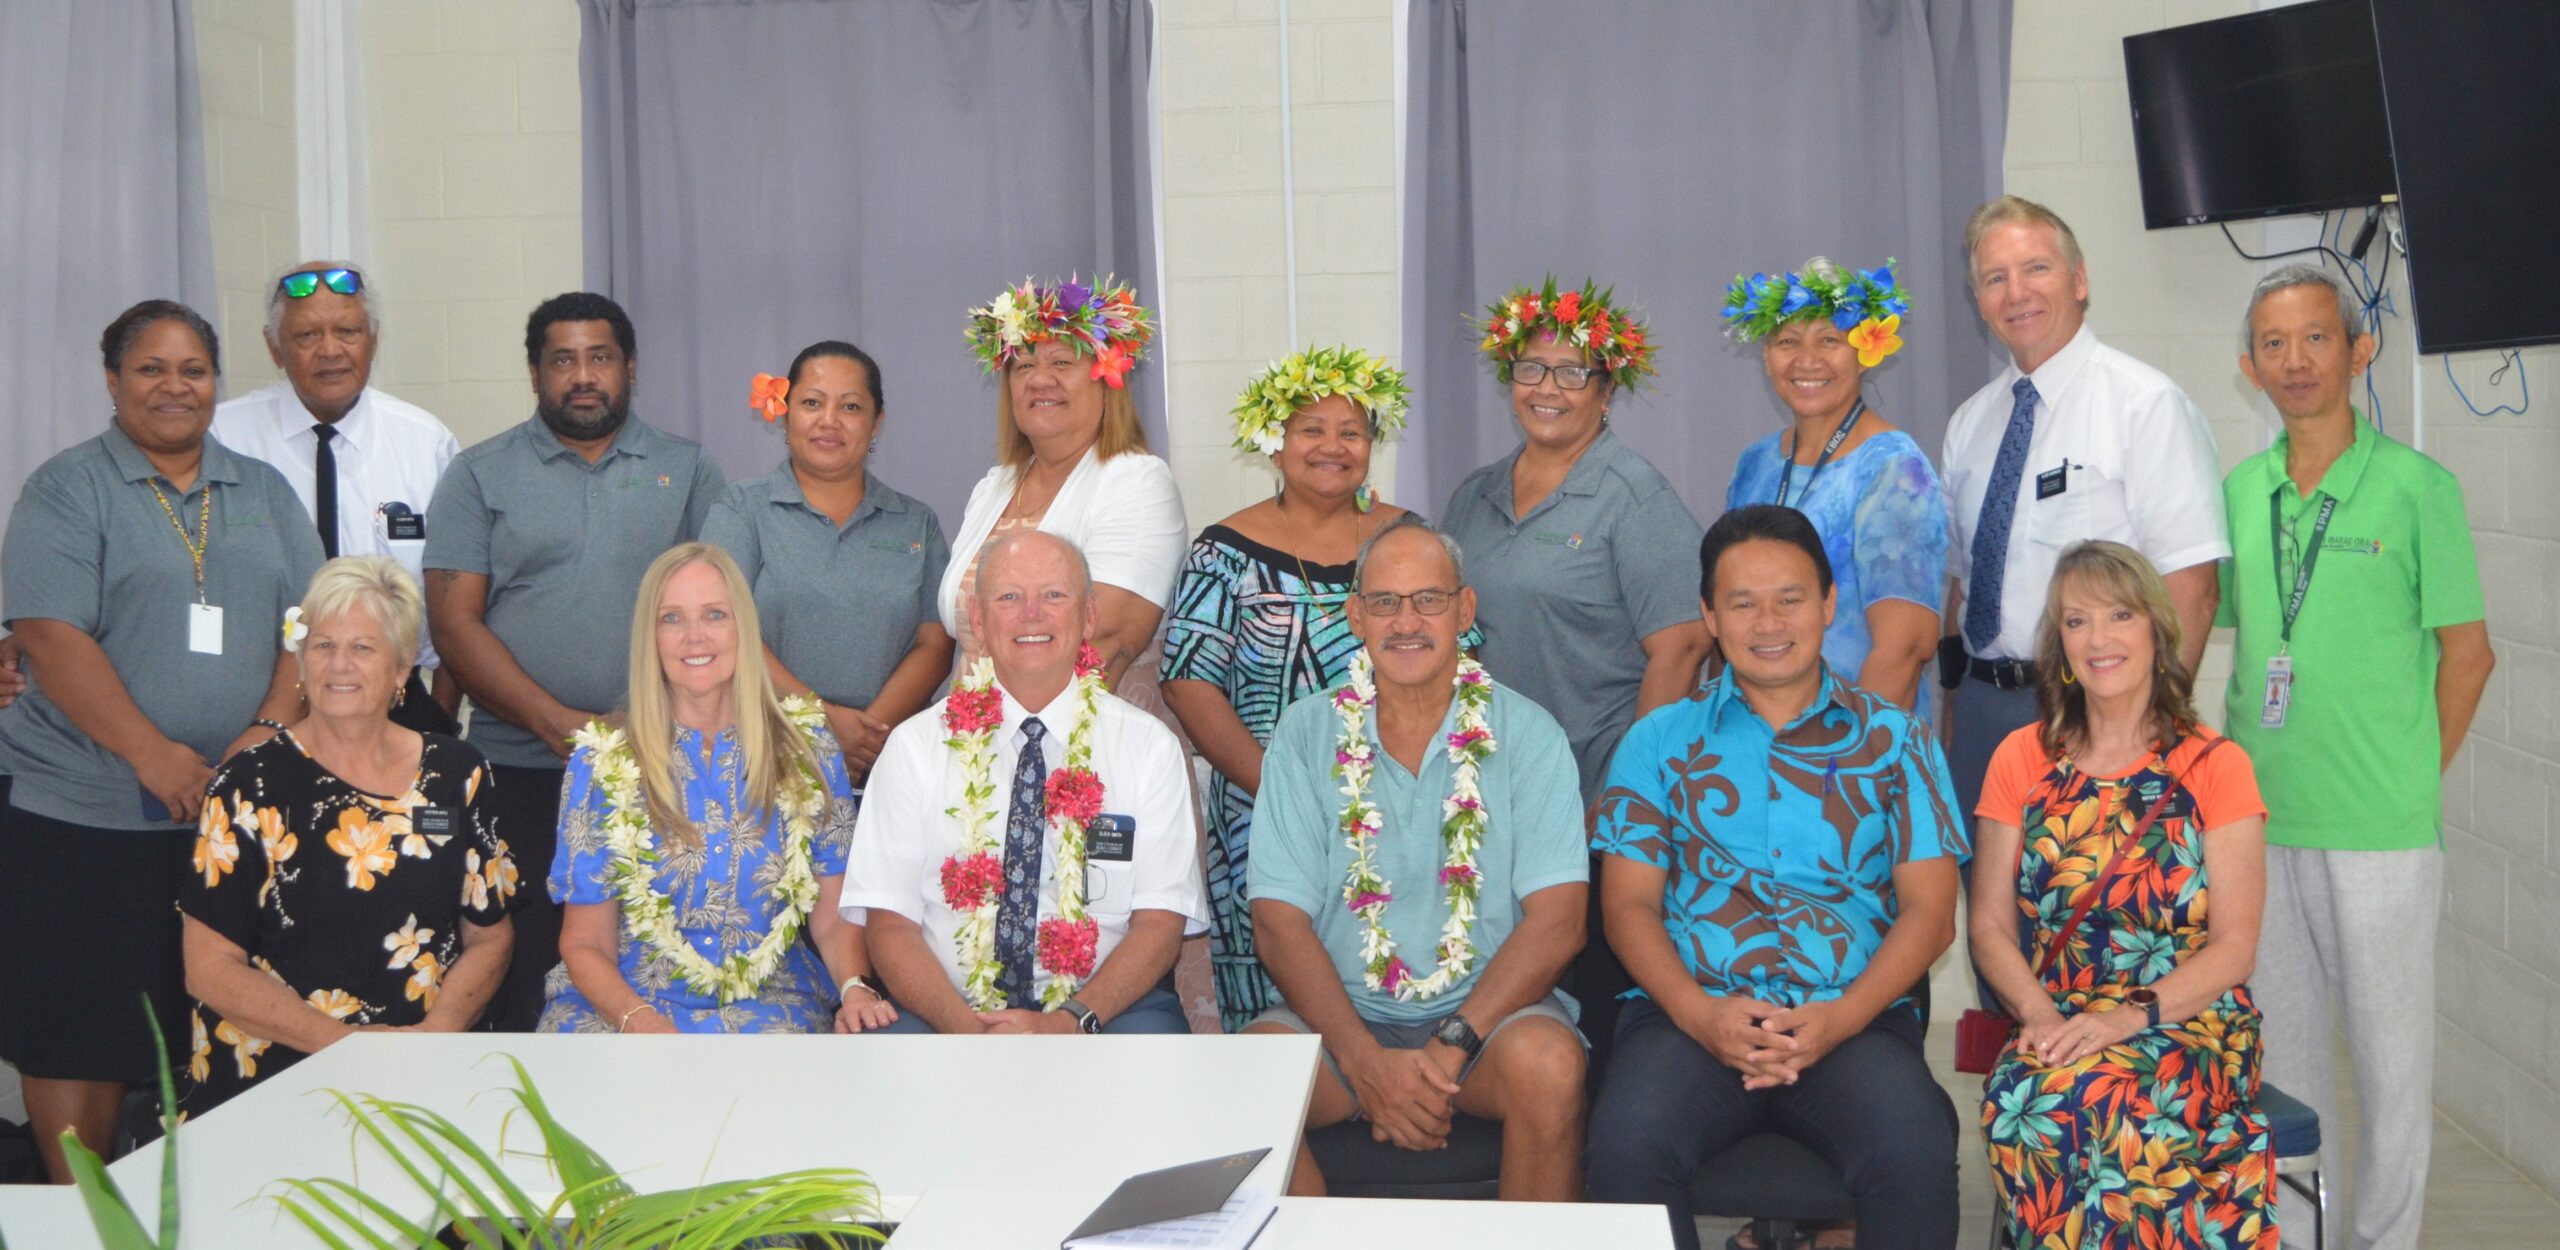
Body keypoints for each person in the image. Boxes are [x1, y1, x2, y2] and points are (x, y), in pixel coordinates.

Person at [0, 301, 322, 1182]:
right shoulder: (68, 488)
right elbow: (50, 634)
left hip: (236, 821)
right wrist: (151, 754)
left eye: (193, 370)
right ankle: (83, 1222)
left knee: (226, 1029)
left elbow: (310, 622)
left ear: (217, 383)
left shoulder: (261, 490)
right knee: (79, 1032)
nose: (174, 387)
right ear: (113, 382)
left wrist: (260, 735)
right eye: (151, 369)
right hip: (84, 817)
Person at [1585, 505, 1964, 1250]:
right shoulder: (1657, 741)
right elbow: (1628, 907)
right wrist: (1701, 1017)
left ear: (1828, 604)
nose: (1768, 621)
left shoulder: (1896, 742)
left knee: (1914, 1151)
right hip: (1688, 1021)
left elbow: (1931, 911)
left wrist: (1839, 1021)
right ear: (1709, 615)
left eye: (1790, 598)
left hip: (1850, 1021)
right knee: (1626, 1147)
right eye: (1742, 602)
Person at [2218, 265, 2492, 1250]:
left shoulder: (2420, 487)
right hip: (2258, 822)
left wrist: (2413, 775)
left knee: (2387, 1065)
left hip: (2378, 826)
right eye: (2275, 344)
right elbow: (2250, 639)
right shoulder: (2239, 493)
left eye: (2316, 338)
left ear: (2357, 349)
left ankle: (2384, 1240)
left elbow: (2469, 654)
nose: (2296, 361)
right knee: (2281, 1061)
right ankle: (2297, 1239)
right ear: (2249, 366)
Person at [1244, 519, 1589, 1202]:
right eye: (1385, 602)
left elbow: (1559, 923)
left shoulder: (1528, 732)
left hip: (1490, 1022)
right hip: (1342, 1019)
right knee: (1244, 1079)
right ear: (1355, 616)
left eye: (1428, 600)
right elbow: (1278, 923)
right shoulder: (1306, 731)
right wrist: (1363, 1062)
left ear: (1464, 610)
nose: (1407, 622)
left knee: (1549, 1068)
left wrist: (1452, 1044)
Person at [423, 291, 724, 1032]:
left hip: (662, 767)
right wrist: (556, 722)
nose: (582, 375)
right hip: (518, 768)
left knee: (656, 955)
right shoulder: (479, 474)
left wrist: (637, 729)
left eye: (599, 358)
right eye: (563, 360)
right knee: (525, 967)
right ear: (534, 373)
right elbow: (454, 626)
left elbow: (720, 613)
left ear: (629, 368)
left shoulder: (686, 469)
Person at [1163, 346, 1483, 1031]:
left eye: (1352, 431)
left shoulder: (1411, 538)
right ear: (1273, 443)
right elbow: (1190, 683)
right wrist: (1287, 795)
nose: (1332, 447)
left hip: (1411, 812)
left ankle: (1418, 1090)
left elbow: (1466, 664)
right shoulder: (1223, 550)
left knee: (1416, 974)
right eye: (1311, 428)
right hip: (1263, 811)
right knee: (1283, 1008)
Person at [1971, 540, 2277, 1248]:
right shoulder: (2021, 756)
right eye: (2076, 622)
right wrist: (2039, 1018)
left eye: (2118, 615)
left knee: (2105, 1105)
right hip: (2056, 1014)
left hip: (2188, 1020)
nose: (2099, 639)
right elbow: (1987, 924)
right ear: (2060, 646)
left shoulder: (2215, 765)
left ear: (2156, 632)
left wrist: (2126, 1021)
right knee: (2026, 1102)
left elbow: (2235, 948)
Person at [1440, 277, 1710, 1065]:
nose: (1547, 389)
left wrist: (1624, 799)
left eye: (1571, 373)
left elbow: (1683, 646)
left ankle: (1588, 1168)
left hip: (1592, 806)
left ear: (1606, 388)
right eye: (1531, 369)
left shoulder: (1634, 497)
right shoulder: (1474, 496)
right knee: (1493, 998)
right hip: (1488, 803)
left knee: (1584, 1014)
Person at [179, 556, 515, 1115]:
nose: (340, 664)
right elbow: (210, 967)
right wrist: (349, 1051)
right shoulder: (248, 784)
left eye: (363, 647)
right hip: (273, 1080)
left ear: (403, 668)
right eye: (323, 645)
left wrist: (435, 1037)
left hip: (421, 1070)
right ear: (301, 665)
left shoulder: (457, 771)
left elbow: (490, 935)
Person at [845, 530, 1207, 1035]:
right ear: (977, 620)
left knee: (1157, 1067)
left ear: (1089, 617)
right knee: (886, 1074)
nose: (1031, 614)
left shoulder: (1147, 747)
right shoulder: (914, 747)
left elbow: (1161, 924)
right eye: (1008, 597)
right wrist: (968, 1032)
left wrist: (1064, 1023)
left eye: (1054, 595)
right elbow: (890, 923)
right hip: (945, 1008)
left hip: (1104, 1008)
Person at [1940, 195, 2229, 823]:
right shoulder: (1969, 425)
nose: (2016, 292)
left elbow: (2194, 587)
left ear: (2079, 278)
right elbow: (1959, 589)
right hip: (1984, 710)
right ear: (1980, 300)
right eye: (1994, 278)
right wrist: (1953, 707)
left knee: (2089, 915)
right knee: (1989, 910)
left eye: (2035, 269)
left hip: (2099, 712)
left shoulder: (2145, 405)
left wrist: (2142, 734)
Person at [540, 544, 888, 1034]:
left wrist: (854, 985)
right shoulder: (603, 762)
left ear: (743, 628)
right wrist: (641, 1021)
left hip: (768, 1005)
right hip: (624, 1005)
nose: (694, 637)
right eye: (672, 619)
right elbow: (585, 943)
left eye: (714, 615)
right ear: (650, 637)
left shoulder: (807, 748)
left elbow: (832, 913)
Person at [211, 261, 466, 735]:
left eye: (347, 331)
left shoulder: (426, 443)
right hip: (254, 711)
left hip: (395, 709)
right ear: (274, 348)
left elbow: (460, 596)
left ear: (373, 339)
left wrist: (442, 713)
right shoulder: (223, 438)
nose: (330, 351)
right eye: (307, 335)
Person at [705, 341, 954, 784]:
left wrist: (866, 737)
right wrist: (823, 723)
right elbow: (722, 628)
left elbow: (935, 644)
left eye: (851, 406)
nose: (829, 421)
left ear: (877, 422)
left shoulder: (916, 523)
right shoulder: (742, 509)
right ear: (785, 413)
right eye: (812, 403)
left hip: (884, 760)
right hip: (764, 757)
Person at [942, 277, 1186, 705]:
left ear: (1106, 379)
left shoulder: (1135, 481)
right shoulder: (993, 488)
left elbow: (1104, 648)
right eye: (1024, 365)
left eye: (1061, 363)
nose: (1039, 380)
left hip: (1079, 754)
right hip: (973, 751)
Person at [1722, 256, 1948, 715]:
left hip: (1852, 751)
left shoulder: (1894, 470)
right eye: (1788, 341)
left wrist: (1845, 758)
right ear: (1767, 355)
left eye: (1830, 340)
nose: (1807, 361)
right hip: (1755, 737)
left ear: (1867, 352)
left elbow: (1905, 648)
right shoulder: (1756, 463)